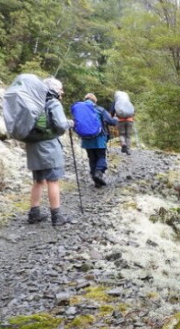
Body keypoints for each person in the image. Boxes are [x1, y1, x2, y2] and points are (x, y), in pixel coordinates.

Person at [26, 77, 74, 226]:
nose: (62, 92)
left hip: (32, 146)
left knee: (38, 181)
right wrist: (70, 123)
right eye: (60, 89)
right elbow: (60, 125)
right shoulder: (53, 102)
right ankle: (56, 216)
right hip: (49, 147)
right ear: (53, 90)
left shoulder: (33, 102)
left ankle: (34, 214)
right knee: (52, 180)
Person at [80, 93, 117, 187]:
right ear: (95, 100)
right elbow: (111, 122)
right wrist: (116, 118)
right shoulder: (100, 109)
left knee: (92, 159)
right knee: (101, 157)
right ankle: (98, 173)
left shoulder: (80, 110)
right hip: (99, 138)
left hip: (86, 139)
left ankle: (96, 180)